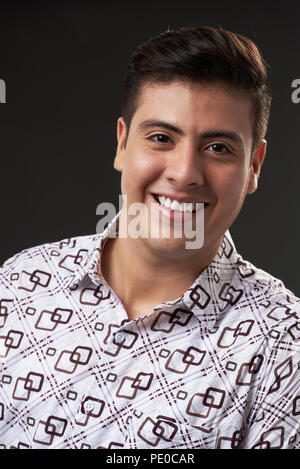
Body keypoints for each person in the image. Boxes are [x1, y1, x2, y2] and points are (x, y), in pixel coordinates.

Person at [0, 25, 299, 450]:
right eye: (161, 138)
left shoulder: (283, 343)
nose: (184, 173)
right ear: (123, 144)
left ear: (255, 165)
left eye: (218, 148)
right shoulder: (21, 282)